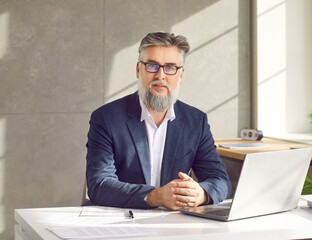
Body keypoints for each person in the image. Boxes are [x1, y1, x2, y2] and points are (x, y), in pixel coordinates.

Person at [86, 32, 231, 210]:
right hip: (120, 220)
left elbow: (220, 180)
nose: (160, 76)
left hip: (173, 224)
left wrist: (201, 193)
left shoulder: (196, 121)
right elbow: (99, 185)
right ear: (138, 69)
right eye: (152, 66)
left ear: (181, 75)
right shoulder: (106, 118)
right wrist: (155, 197)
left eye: (170, 68)